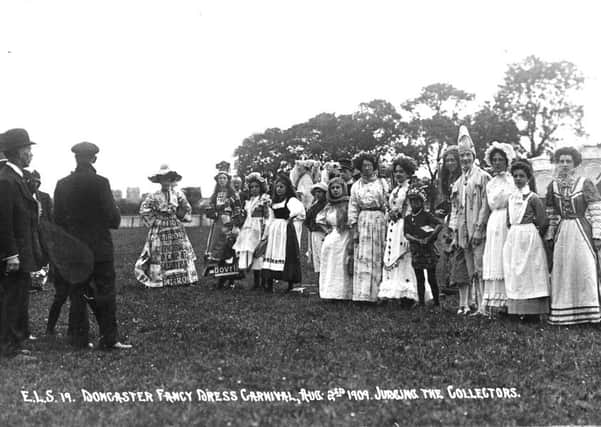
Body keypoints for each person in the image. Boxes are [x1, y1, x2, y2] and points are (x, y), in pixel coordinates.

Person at [54, 141, 131, 349]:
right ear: (94, 159)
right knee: (105, 292)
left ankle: (79, 339)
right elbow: (113, 219)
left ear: (75, 158)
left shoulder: (62, 184)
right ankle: (109, 338)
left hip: (74, 250)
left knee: (77, 294)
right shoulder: (101, 183)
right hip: (100, 248)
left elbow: (57, 219)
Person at [544, 147, 601, 325]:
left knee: (584, 268)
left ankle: (589, 312)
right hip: (563, 232)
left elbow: (596, 209)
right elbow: (551, 213)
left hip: (581, 229)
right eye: (561, 161)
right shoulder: (552, 186)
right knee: (563, 269)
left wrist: (597, 234)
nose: (564, 165)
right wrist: (550, 234)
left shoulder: (585, 183)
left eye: (568, 161)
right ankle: (564, 311)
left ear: (575, 163)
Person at [0, 129, 43, 358]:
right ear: (17, 152)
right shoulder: (7, 180)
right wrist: (11, 255)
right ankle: (11, 348)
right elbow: (3, 222)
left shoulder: (15, 178)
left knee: (16, 298)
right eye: (27, 149)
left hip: (21, 251)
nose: (30, 153)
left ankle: (13, 343)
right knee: (12, 299)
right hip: (14, 253)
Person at [449, 126, 491, 315]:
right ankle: (473, 302)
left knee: (481, 265)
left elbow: (485, 205)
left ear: (473, 156)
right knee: (470, 267)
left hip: (477, 228)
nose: (465, 159)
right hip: (463, 230)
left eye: (468, 155)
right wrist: (454, 230)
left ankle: (484, 304)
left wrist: (479, 228)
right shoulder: (458, 182)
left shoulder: (482, 177)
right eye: (462, 156)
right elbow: (455, 209)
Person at [134, 165, 198, 288]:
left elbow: (187, 207)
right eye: (163, 179)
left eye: (168, 178)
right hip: (160, 225)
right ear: (159, 180)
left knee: (181, 249)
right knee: (158, 250)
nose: (166, 181)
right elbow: (144, 209)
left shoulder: (178, 194)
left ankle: (185, 279)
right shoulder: (153, 195)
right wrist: (155, 218)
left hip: (175, 225)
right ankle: (158, 279)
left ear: (172, 180)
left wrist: (181, 215)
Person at [503, 159, 550, 322]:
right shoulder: (510, 198)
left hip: (529, 237)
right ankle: (518, 310)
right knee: (515, 270)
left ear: (528, 178)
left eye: (521, 176)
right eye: (515, 176)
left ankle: (534, 312)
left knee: (531, 272)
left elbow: (544, 220)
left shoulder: (533, 198)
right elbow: (509, 220)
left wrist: (534, 233)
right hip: (514, 237)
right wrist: (514, 233)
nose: (518, 179)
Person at [377, 156, 420, 303]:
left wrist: (409, 231)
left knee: (404, 256)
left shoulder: (410, 189)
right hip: (393, 227)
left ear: (408, 173)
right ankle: (392, 291)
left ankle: (407, 294)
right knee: (391, 256)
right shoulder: (395, 189)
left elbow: (412, 211)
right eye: (396, 172)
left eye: (401, 172)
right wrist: (390, 214)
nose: (398, 175)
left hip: (405, 226)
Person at [481, 142, 516, 317]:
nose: (497, 163)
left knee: (508, 256)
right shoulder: (491, 182)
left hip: (510, 219)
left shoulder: (513, 180)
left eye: (500, 159)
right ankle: (496, 302)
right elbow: (492, 202)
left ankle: (512, 301)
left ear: (507, 160)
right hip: (495, 219)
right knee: (495, 255)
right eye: (494, 160)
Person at [348, 152, 389, 302]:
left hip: (379, 219)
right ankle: (363, 294)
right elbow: (352, 207)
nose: (366, 168)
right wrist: (354, 228)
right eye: (363, 166)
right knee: (364, 256)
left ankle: (380, 293)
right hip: (363, 220)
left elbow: (387, 203)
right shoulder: (355, 186)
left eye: (369, 165)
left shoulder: (382, 183)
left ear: (374, 166)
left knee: (379, 255)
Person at [262, 174, 305, 292]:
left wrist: (290, 217)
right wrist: (266, 234)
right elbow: (270, 218)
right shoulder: (273, 202)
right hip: (275, 229)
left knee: (286, 253)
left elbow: (299, 210)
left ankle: (290, 283)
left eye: (282, 187)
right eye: (277, 187)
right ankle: (269, 282)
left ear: (287, 188)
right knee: (272, 253)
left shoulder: (291, 200)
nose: (279, 189)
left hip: (286, 230)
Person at [404, 185, 443, 306]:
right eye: (412, 201)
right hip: (416, 250)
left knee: (432, 277)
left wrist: (429, 238)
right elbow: (406, 233)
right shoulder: (408, 218)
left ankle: (437, 302)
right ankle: (421, 302)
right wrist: (417, 240)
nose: (414, 204)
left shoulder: (426, 215)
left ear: (421, 202)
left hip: (428, 249)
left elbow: (439, 224)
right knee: (419, 277)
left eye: (417, 201)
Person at [232, 172, 272, 289]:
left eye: (256, 187)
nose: (254, 189)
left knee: (260, 252)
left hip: (259, 227)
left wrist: (266, 229)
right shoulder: (248, 201)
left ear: (261, 187)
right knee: (251, 251)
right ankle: (256, 281)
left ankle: (264, 281)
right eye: (252, 187)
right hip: (248, 228)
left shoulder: (264, 199)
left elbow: (267, 215)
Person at [316, 177, 353, 300]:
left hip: (345, 236)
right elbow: (319, 219)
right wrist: (327, 230)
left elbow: (353, 220)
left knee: (341, 264)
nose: (335, 190)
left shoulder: (348, 204)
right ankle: (329, 292)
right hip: (332, 236)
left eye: (338, 187)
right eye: (333, 188)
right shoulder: (329, 206)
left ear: (343, 188)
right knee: (330, 264)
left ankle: (343, 293)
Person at [434, 146, 463, 296]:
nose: (450, 163)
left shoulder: (463, 177)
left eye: (453, 160)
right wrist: (442, 209)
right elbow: (445, 198)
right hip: (449, 215)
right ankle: (445, 283)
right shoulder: (445, 179)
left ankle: (457, 282)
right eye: (447, 160)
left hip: (461, 214)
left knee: (458, 247)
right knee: (446, 247)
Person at [304, 182, 328, 282]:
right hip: (314, 232)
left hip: (322, 232)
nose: (318, 194)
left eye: (320, 192)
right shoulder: (314, 205)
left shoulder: (326, 205)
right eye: (316, 192)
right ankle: (319, 280)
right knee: (316, 257)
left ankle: (325, 280)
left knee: (323, 256)